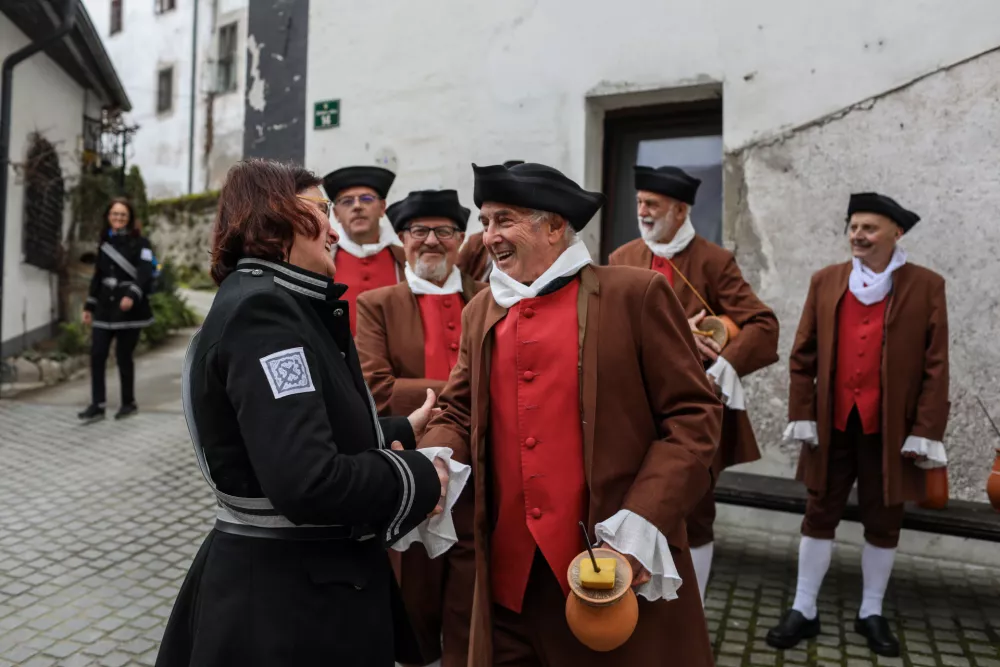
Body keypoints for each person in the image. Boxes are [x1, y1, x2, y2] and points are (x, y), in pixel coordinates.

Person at [419, 161, 723, 666]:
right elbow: (457, 409)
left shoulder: (635, 295)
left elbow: (694, 417)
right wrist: (435, 460)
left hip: (608, 574)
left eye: (504, 220)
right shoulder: (481, 312)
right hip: (505, 587)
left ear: (555, 225)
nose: (488, 236)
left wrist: (640, 522)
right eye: (485, 220)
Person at [155, 159, 451, 667]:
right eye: (321, 210)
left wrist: (398, 429)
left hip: (288, 587)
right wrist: (420, 476)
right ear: (276, 215)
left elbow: (286, 431)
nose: (335, 228)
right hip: (287, 606)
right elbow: (307, 480)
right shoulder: (264, 315)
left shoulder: (272, 300)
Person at [766, 193, 949, 658]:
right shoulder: (826, 281)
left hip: (890, 429)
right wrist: (801, 413)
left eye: (869, 228)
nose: (858, 235)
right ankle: (804, 608)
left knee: (884, 518)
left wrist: (926, 429)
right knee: (818, 512)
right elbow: (802, 354)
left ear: (896, 233)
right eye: (853, 227)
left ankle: (871, 611)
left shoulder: (926, 286)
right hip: (831, 425)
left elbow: (936, 366)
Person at [608, 165, 779, 602]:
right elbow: (607, 329)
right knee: (630, 500)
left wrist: (724, 363)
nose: (643, 212)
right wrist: (681, 334)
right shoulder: (621, 258)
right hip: (632, 407)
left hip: (693, 408)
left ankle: (696, 611)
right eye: (640, 202)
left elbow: (763, 324)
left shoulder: (713, 261)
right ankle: (627, 600)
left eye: (654, 205)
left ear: (681, 210)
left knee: (697, 512)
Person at [356, 189, 485, 667]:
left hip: (486, 470)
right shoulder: (377, 304)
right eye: (419, 231)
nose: (432, 241)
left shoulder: (490, 297)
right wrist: (470, 391)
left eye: (445, 231)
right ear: (403, 238)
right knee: (415, 596)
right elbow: (377, 389)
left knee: (473, 596)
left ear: (461, 239)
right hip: (412, 475)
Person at [78, 197, 155, 423]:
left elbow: (145, 271)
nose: (118, 218)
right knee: (97, 355)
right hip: (104, 307)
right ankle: (98, 405)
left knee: (124, 357)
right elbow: (98, 276)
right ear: (109, 217)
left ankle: (128, 403)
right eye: (114, 214)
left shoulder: (141, 243)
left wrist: (132, 294)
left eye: (122, 215)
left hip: (129, 310)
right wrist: (89, 306)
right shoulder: (104, 242)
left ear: (129, 218)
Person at [323, 165, 406, 333]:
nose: (357, 206)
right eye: (347, 201)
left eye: (366, 199)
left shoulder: (405, 260)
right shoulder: (322, 260)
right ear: (336, 214)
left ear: (383, 208)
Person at [456, 161, 523, 281]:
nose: (491, 238)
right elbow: (458, 274)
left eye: (505, 221)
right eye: (485, 223)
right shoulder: (475, 242)